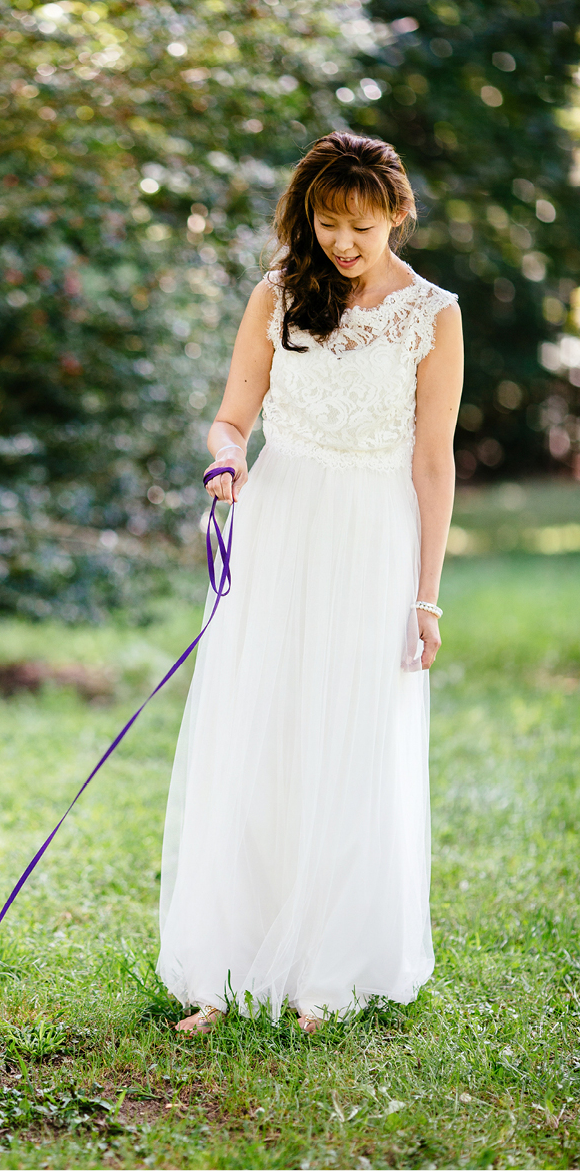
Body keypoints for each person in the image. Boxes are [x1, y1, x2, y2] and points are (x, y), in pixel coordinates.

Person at [156, 131, 463, 1035]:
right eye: (329, 222)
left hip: (374, 537)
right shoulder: (278, 293)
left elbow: (434, 462)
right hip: (280, 525)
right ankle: (226, 967)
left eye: (362, 226)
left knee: (349, 738)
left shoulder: (433, 313)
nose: (343, 243)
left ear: (398, 216)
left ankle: (323, 972)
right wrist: (226, 463)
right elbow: (230, 419)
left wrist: (427, 593)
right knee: (259, 730)